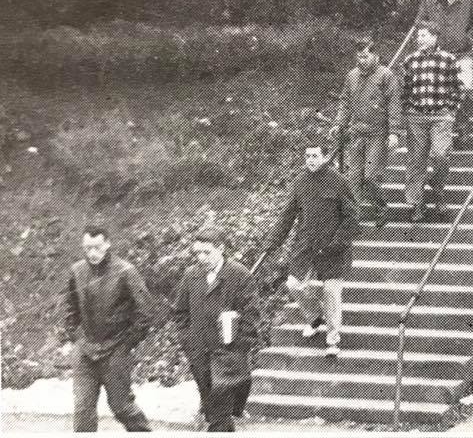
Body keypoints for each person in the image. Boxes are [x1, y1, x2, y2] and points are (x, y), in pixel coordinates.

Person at [264, 141, 360, 354]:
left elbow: (352, 217)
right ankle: (315, 317)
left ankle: (333, 339)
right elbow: (287, 215)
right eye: (307, 156)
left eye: (315, 156)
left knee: (331, 291)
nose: (311, 160)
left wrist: (339, 242)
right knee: (293, 284)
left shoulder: (339, 181)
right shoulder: (299, 182)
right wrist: (273, 241)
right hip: (306, 244)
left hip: (334, 246)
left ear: (325, 157)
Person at [61, 226, 154, 433]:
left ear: (108, 244)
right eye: (87, 248)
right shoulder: (77, 270)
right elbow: (69, 307)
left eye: (97, 247)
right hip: (85, 352)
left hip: (115, 351)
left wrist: (126, 343)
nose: (92, 253)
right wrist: (76, 336)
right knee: (83, 410)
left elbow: (146, 311)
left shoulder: (125, 271)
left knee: (121, 407)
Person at [172, 227, 259, 432]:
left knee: (219, 409)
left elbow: (252, 315)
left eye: (206, 252)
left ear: (221, 249)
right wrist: (188, 342)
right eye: (197, 253)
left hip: (228, 355)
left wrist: (238, 348)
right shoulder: (191, 275)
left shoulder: (239, 275)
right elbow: (180, 313)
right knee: (216, 411)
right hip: (200, 353)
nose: (201, 258)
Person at [330, 37, 403, 227]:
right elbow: (345, 102)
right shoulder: (351, 76)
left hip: (377, 135)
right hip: (357, 134)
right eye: (359, 57)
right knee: (353, 177)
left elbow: (394, 105)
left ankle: (380, 207)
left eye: (365, 56)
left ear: (375, 56)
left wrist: (394, 132)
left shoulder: (386, 76)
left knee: (371, 176)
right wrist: (339, 124)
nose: (361, 60)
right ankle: (353, 218)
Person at [401, 21, 464, 223]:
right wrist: (409, 108)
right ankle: (416, 204)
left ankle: (437, 189)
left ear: (435, 37)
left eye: (424, 36)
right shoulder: (410, 61)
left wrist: (450, 109)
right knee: (416, 160)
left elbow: (459, 88)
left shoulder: (448, 59)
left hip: (441, 116)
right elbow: (404, 89)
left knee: (440, 155)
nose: (420, 39)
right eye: (418, 36)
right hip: (417, 117)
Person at [415, 0, 473, 149]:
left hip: (462, 54)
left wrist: (470, 38)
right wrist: (432, 33)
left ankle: (462, 127)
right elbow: (419, 21)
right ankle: (440, 136)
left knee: (465, 90)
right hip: (438, 55)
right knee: (439, 93)